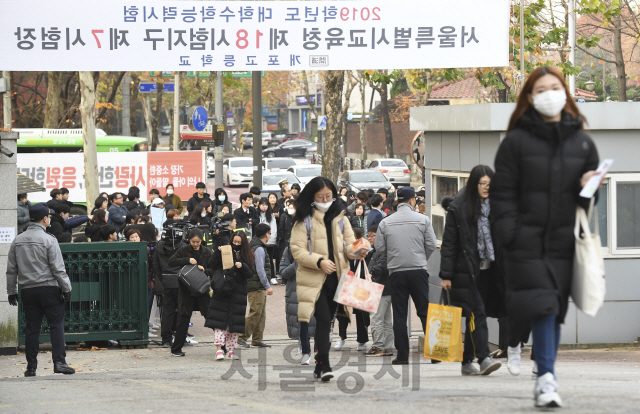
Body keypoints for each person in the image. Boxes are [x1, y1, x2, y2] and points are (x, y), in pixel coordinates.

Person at [491, 67, 600, 408]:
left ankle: (544, 372)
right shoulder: (515, 142)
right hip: (525, 243)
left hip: (563, 242)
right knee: (544, 307)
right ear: (530, 97)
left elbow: (587, 200)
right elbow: (502, 195)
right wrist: (509, 236)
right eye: (542, 89)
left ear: (566, 93)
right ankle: (547, 379)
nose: (551, 93)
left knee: (554, 310)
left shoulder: (582, 141)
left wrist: (588, 190)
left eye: (556, 87)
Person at [290, 176, 364, 381]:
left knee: (328, 322)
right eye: (320, 197)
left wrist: (358, 250)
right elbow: (297, 251)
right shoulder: (303, 220)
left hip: (338, 279)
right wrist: (319, 261)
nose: (325, 200)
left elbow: (349, 246)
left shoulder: (341, 218)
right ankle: (324, 365)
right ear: (311, 197)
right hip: (314, 280)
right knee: (323, 319)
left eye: (328, 196)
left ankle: (319, 364)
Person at [439, 165, 502, 377]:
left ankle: (467, 361)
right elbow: (449, 244)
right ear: (474, 184)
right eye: (482, 184)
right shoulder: (459, 208)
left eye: (489, 184)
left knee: (475, 316)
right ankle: (484, 358)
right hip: (465, 271)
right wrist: (446, 275)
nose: (486, 188)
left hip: (488, 271)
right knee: (477, 313)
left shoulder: (494, 206)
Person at [6, 203, 75, 377]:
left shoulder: (17, 240)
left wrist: (11, 291)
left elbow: (11, 269)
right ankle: (59, 362)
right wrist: (66, 288)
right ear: (45, 218)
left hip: (27, 291)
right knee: (56, 325)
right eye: (49, 217)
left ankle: (31, 367)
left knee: (32, 328)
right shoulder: (49, 239)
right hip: (48, 289)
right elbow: (58, 268)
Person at [374, 186, 438, 365]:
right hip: (418, 270)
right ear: (412, 201)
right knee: (425, 312)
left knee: (400, 314)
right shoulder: (423, 219)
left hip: (396, 271)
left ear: (397, 201)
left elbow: (379, 248)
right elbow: (432, 244)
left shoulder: (386, 222)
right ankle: (434, 354)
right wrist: (421, 258)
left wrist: (394, 254)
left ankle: (402, 355)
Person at [205, 232, 255, 361]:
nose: (236, 244)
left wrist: (242, 266)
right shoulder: (225, 250)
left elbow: (250, 274)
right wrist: (218, 252)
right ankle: (219, 349)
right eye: (235, 242)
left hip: (238, 293)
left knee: (234, 324)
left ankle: (232, 350)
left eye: (239, 243)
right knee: (219, 322)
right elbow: (211, 264)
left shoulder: (247, 255)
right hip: (222, 291)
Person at [168, 229, 213, 357]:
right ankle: (176, 349)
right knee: (183, 319)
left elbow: (214, 269)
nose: (195, 244)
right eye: (193, 242)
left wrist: (205, 270)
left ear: (201, 241)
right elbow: (171, 261)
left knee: (210, 317)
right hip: (186, 290)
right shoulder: (184, 250)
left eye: (198, 242)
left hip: (202, 289)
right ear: (189, 240)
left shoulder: (207, 251)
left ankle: (222, 346)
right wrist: (187, 260)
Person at [238, 224, 274, 348]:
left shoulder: (255, 245)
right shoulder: (259, 248)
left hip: (258, 285)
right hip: (256, 285)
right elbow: (260, 269)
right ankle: (242, 337)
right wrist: (267, 285)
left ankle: (257, 339)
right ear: (266, 234)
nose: (270, 235)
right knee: (255, 312)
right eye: (270, 233)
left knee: (261, 313)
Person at [280, 241, 316, 365]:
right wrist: (297, 264)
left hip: (316, 290)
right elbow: (283, 272)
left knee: (319, 322)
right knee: (303, 323)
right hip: (297, 293)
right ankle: (305, 352)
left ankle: (319, 352)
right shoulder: (290, 249)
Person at [363, 224, 394, 357]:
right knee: (386, 320)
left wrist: (372, 272)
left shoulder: (383, 250)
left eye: (372, 235)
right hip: (385, 289)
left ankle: (378, 346)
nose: (369, 238)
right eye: (368, 235)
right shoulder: (376, 250)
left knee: (376, 318)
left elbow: (382, 265)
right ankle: (387, 347)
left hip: (380, 289)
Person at [154, 225, 186, 347]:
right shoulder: (182, 246)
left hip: (166, 281)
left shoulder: (159, 246)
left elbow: (156, 265)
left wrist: (162, 278)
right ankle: (180, 338)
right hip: (180, 281)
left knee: (167, 311)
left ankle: (166, 339)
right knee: (181, 310)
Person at [257, 198, 278, 285]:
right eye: (262, 204)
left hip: (269, 242)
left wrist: (270, 240)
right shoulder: (256, 215)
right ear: (259, 205)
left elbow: (273, 228)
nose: (264, 206)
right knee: (259, 260)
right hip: (258, 241)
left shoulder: (271, 216)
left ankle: (272, 276)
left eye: (266, 205)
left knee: (269, 259)